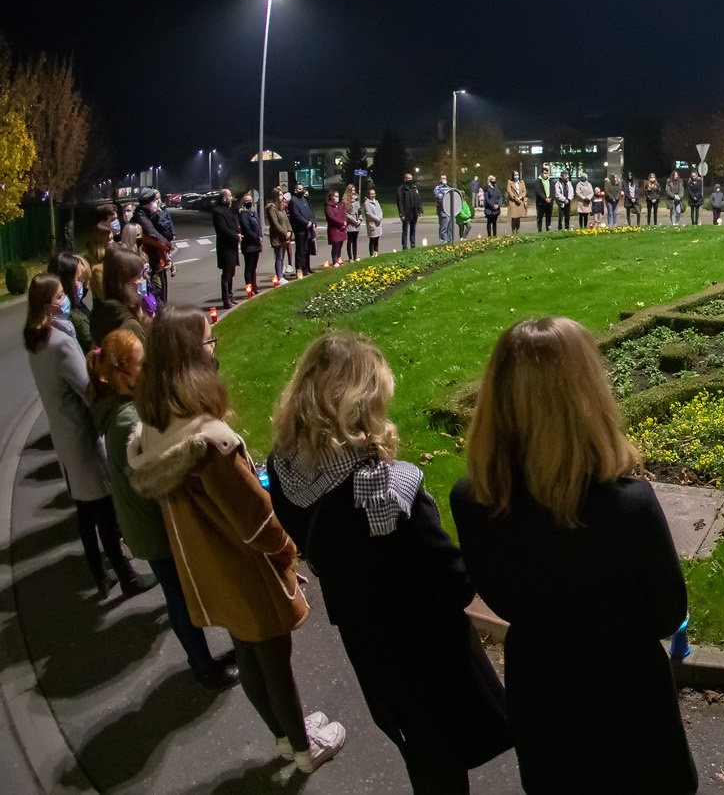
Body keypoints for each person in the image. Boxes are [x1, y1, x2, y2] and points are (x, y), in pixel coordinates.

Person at [451, 318, 696, 794]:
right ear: (588, 396)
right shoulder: (629, 506)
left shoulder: (472, 500)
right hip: (629, 695)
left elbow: (499, 598)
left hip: (540, 687)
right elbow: (669, 613)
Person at [269, 333, 511, 793]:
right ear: (361, 406)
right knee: (443, 752)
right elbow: (456, 583)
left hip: (364, 637)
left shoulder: (283, 469)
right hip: (425, 647)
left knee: (414, 743)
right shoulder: (384, 492)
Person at [127, 305, 346, 772]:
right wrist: (288, 551)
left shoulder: (154, 429)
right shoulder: (210, 443)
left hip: (210, 570)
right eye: (209, 343)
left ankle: (286, 738)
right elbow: (255, 520)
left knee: (249, 652)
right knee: (274, 658)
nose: (214, 351)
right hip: (245, 567)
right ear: (190, 358)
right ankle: (305, 750)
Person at [91, 328, 235, 687]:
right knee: (180, 597)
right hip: (152, 526)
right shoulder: (127, 419)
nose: (150, 368)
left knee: (181, 593)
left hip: (144, 522)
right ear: (124, 372)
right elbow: (158, 468)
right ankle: (203, 667)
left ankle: (203, 660)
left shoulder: (120, 405)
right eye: (143, 364)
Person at [25, 273, 156, 598]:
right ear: (46, 305)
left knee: (85, 508)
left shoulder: (37, 339)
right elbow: (86, 388)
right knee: (103, 509)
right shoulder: (61, 342)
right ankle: (124, 575)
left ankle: (99, 571)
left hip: (64, 434)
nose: (68, 297)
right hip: (82, 437)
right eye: (59, 297)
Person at [90, 246, 149, 347]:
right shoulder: (131, 328)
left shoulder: (100, 313)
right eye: (140, 276)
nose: (143, 280)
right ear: (125, 283)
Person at [48, 251, 92, 352]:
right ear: (67, 281)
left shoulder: (51, 315)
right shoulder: (76, 318)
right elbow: (94, 348)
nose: (82, 284)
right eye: (79, 279)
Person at [213, 188, 242, 307]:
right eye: (229, 196)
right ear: (224, 198)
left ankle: (230, 295)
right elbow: (223, 229)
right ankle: (226, 299)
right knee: (227, 273)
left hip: (232, 246)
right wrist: (236, 236)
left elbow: (234, 225)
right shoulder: (218, 212)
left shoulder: (228, 210)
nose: (231, 198)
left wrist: (238, 233)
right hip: (225, 247)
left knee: (232, 272)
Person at [236, 191, 263, 290]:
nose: (249, 202)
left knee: (254, 268)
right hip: (249, 245)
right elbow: (247, 229)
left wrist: (260, 236)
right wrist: (256, 238)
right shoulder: (243, 215)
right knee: (249, 267)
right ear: (243, 202)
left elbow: (259, 226)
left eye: (250, 200)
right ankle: (249, 286)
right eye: (247, 200)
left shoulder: (254, 213)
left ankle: (254, 286)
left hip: (256, 244)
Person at [268, 185, 294, 275]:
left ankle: (281, 276)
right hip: (277, 237)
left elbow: (287, 221)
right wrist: (284, 233)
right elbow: (275, 224)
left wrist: (289, 231)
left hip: (285, 236)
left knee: (282, 257)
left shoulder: (281, 207)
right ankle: (279, 276)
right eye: (279, 195)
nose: (282, 197)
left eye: (282, 194)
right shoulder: (272, 208)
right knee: (279, 257)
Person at [325, 189, 351, 265]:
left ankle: (339, 259)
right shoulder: (329, 207)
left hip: (341, 229)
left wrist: (344, 223)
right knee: (335, 246)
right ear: (332, 197)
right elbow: (331, 217)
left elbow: (344, 214)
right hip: (334, 229)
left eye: (338, 196)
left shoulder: (340, 205)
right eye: (335, 196)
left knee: (340, 245)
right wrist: (341, 222)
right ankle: (334, 261)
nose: (337, 198)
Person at [398, 173, 423, 248]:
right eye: (408, 178)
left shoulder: (414, 188)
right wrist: (401, 213)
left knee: (413, 229)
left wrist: (420, 209)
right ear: (405, 179)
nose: (410, 180)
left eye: (411, 178)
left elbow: (418, 199)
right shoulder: (402, 189)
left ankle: (413, 245)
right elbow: (400, 202)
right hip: (406, 212)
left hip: (414, 212)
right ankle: (404, 246)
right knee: (405, 230)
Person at [434, 175, 457, 245]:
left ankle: (450, 241)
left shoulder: (449, 188)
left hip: (450, 211)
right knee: (443, 227)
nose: (444, 180)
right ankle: (444, 241)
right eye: (443, 178)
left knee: (450, 227)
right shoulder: (437, 188)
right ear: (440, 180)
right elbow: (440, 198)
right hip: (442, 211)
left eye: (445, 178)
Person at [362, 188, 383, 256]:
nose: (373, 195)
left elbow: (380, 210)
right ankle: (371, 254)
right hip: (372, 223)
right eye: (371, 194)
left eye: (374, 194)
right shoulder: (367, 203)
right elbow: (369, 214)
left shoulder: (376, 201)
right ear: (368, 195)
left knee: (377, 239)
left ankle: (376, 253)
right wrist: (377, 219)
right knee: (372, 239)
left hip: (378, 223)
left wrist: (380, 217)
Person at [532, 167, 552, 233]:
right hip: (541, 203)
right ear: (542, 173)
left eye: (547, 173)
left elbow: (553, 191)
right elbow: (538, 192)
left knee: (548, 218)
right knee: (540, 218)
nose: (546, 174)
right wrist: (545, 198)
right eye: (544, 173)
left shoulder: (550, 181)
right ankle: (539, 230)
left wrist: (550, 198)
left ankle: (548, 230)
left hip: (549, 203)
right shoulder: (538, 181)